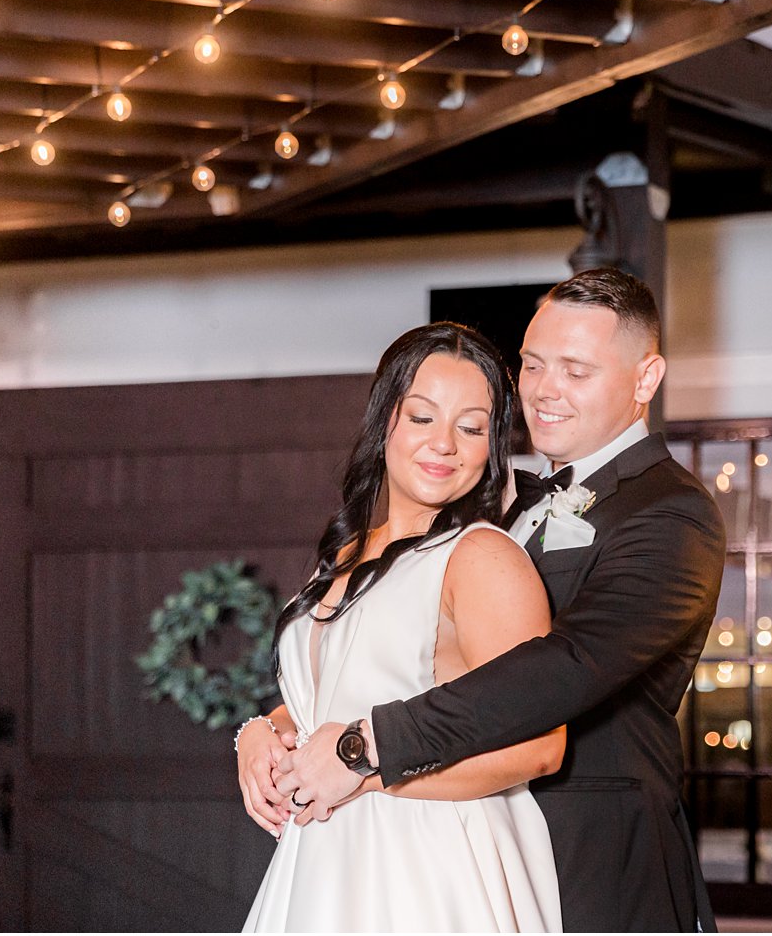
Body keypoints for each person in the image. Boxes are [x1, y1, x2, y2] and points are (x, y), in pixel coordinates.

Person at [260, 268, 727, 933]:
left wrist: (367, 748)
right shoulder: (501, 517)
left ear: (646, 379)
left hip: (598, 859)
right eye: (533, 364)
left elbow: (564, 665)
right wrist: (266, 730)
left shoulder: (672, 514)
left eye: (575, 369)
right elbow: (406, 663)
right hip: (458, 841)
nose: (543, 389)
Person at [240, 322, 565, 932]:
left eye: (470, 428)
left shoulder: (481, 557)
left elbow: (540, 746)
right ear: (384, 419)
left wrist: (366, 772)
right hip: (325, 861)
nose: (445, 444)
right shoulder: (344, 554)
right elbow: (336, 694)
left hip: (432, 867)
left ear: (491, 446)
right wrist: (261, 733)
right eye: (422, 417)